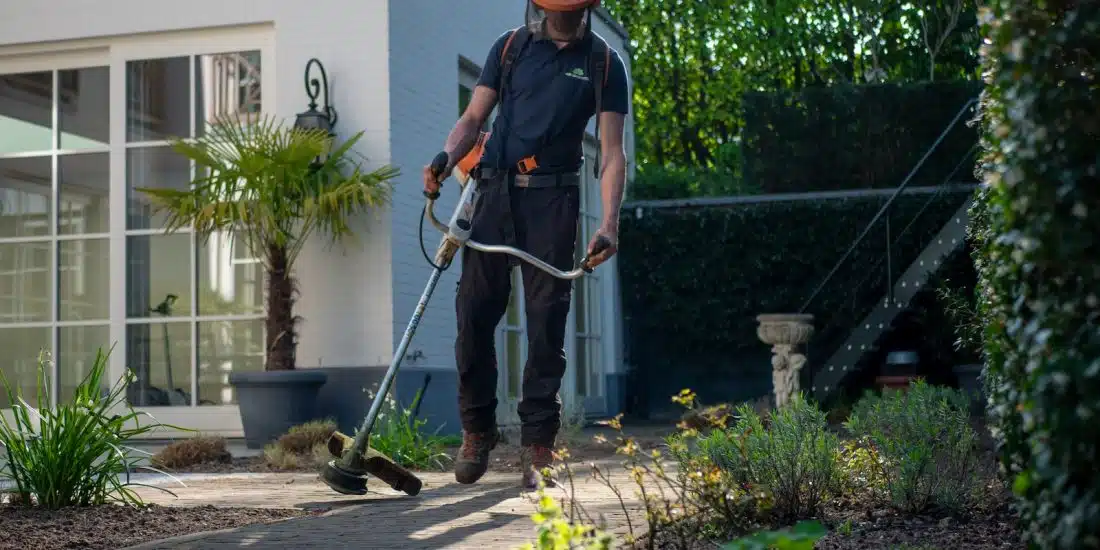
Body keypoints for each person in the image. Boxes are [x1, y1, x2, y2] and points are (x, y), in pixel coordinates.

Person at [422, 0, 629, 489]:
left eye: (569, 9)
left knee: (546, 328)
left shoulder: (602, 63)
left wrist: (610, 224)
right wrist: (446, 158)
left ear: (587, 10)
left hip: (552, 202)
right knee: (472, 317)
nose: (557, 16)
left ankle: (538, 449)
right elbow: (473, 117)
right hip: (491, 195)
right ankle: (477, 431)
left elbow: (613, 152)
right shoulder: (511, 47)